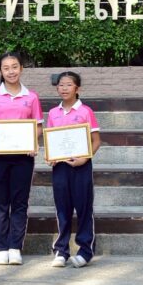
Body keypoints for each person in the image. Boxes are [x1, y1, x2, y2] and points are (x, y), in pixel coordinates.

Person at [0, 51, 42, 266]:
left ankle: (15, 247)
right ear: (0, 71)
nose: (11, 71)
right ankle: (1, 247)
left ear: (21, 68)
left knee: (20, 202)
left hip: (23, 157)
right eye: (6, 68)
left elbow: (38, 126)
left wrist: (33, 143)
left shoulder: (31, 97)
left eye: (15, 67)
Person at [46, 71, 103, 268]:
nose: (64, 88)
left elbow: (96, 141)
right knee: (62, 208)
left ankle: (85, 251)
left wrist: (84, 158)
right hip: (60, 168)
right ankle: (61, 250)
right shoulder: (53, 113)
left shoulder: (86, 111)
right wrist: (51, 156)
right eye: (61, 85)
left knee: (84, 208)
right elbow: (51, 141)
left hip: (81, 167)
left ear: (77, 88)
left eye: (68, 85)